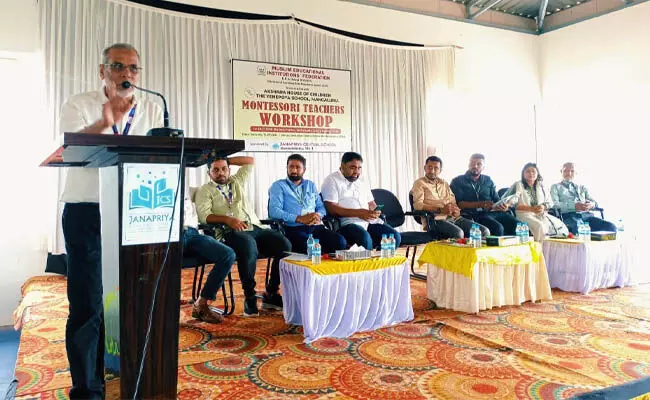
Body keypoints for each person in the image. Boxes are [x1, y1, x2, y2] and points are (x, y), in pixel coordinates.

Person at [58, 43, 163, 399]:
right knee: (88, 303)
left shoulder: (152, 107)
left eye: (133, 68)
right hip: (87, 210)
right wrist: (106, 120)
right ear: (102, 70)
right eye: (118, 66)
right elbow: (73, 147)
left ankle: (130, 374)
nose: (126, 74)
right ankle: (87, 389)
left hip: (135, 211)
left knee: (129, 299)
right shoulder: (78, 104)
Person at [195, 156, 291, 317]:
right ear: (208, 173)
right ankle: (250, 297)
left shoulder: (236, 181)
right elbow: (204, 217)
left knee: (284, 245)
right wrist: (227, 220)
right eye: (215, 170)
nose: (221, 173)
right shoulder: (205, 190)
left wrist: (225, 159)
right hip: (229, 232)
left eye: (224, 169)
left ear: (229, 170)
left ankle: (271, 292)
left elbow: (250, 160)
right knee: (248, 246)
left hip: (254, 226)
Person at [321, 152, 401, 250]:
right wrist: (359, 213)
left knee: (394, 237)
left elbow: (371, 203)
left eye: (359, 168)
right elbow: (331, 208)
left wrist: (375, 211)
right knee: (365, 240)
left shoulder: (362, 180)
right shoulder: (331, 180)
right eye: (352, 167)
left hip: (369, 221)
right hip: (348, 224)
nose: (356, 172)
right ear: (342, 166)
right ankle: (366, 259)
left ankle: (379, 259)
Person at [268, 154, 347, 253]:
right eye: (291, 167)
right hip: (294, 228)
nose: (294, 170)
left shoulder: (310, 185)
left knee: (340, 242)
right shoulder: (278, 186)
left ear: (304, 170)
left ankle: (325, 262)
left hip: (315, 226)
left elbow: (321, 207)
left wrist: (317, 215)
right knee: (312, 248)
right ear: (287, 168)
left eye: (298, 167)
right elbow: (274, 211)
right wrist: (299, 218)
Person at [183, 186, 236, 324]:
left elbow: (206, 192)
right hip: (169, 236)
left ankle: (201, 303)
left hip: (192, 233)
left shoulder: (189, 189)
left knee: (227, 254)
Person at [411, 156, 489, 238]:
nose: (432, 171)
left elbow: (453, 201)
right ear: (425, 168)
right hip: (434, 219)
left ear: (440, 170)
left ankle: (473, 247)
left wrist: (456, 210)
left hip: (453, 217)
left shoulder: (444, 183)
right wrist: (440, 209)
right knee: (458, 233)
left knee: (484, 231)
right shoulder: (419, 183)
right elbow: (418, 205)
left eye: (436, 168)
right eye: (429, 167)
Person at [450, 153, 519, 236]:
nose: (475, 166)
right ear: (468, 164)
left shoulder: (488, 180)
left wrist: (503, 206)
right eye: (472, 163)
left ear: (483, 167)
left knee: (518, 225)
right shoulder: (458, 181)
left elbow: (496, 199)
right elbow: (459, 204)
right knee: (498, 228)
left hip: (492, 212)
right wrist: (482, 204)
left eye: (479, 164)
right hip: (474, 214)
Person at [503, 163, 569, 241]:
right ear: (523, 174)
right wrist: (532, 209)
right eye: (528, 171)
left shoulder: (542, 186)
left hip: (540, 214)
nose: (531, 173)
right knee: (539, 226)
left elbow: (550, 202)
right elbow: (508, 201)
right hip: (524, 214)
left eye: (533, 171)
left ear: (537, 173)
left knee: (560, 227)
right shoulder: (518, 185)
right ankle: (538, 247)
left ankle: (551, 248)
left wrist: (543, 207)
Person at [550, 162, 617, 234]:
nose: (569, 173)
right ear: (561, 172)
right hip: (569, 217)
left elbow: (595, 203)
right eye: (566, 171)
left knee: (611, 227)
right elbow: (555, 205)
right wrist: (574, 206)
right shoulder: (555, 187)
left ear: (576, 173)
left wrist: (591, 205)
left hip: (587, 216)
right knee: (578, 230)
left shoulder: (582, 187)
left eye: (572, 171)